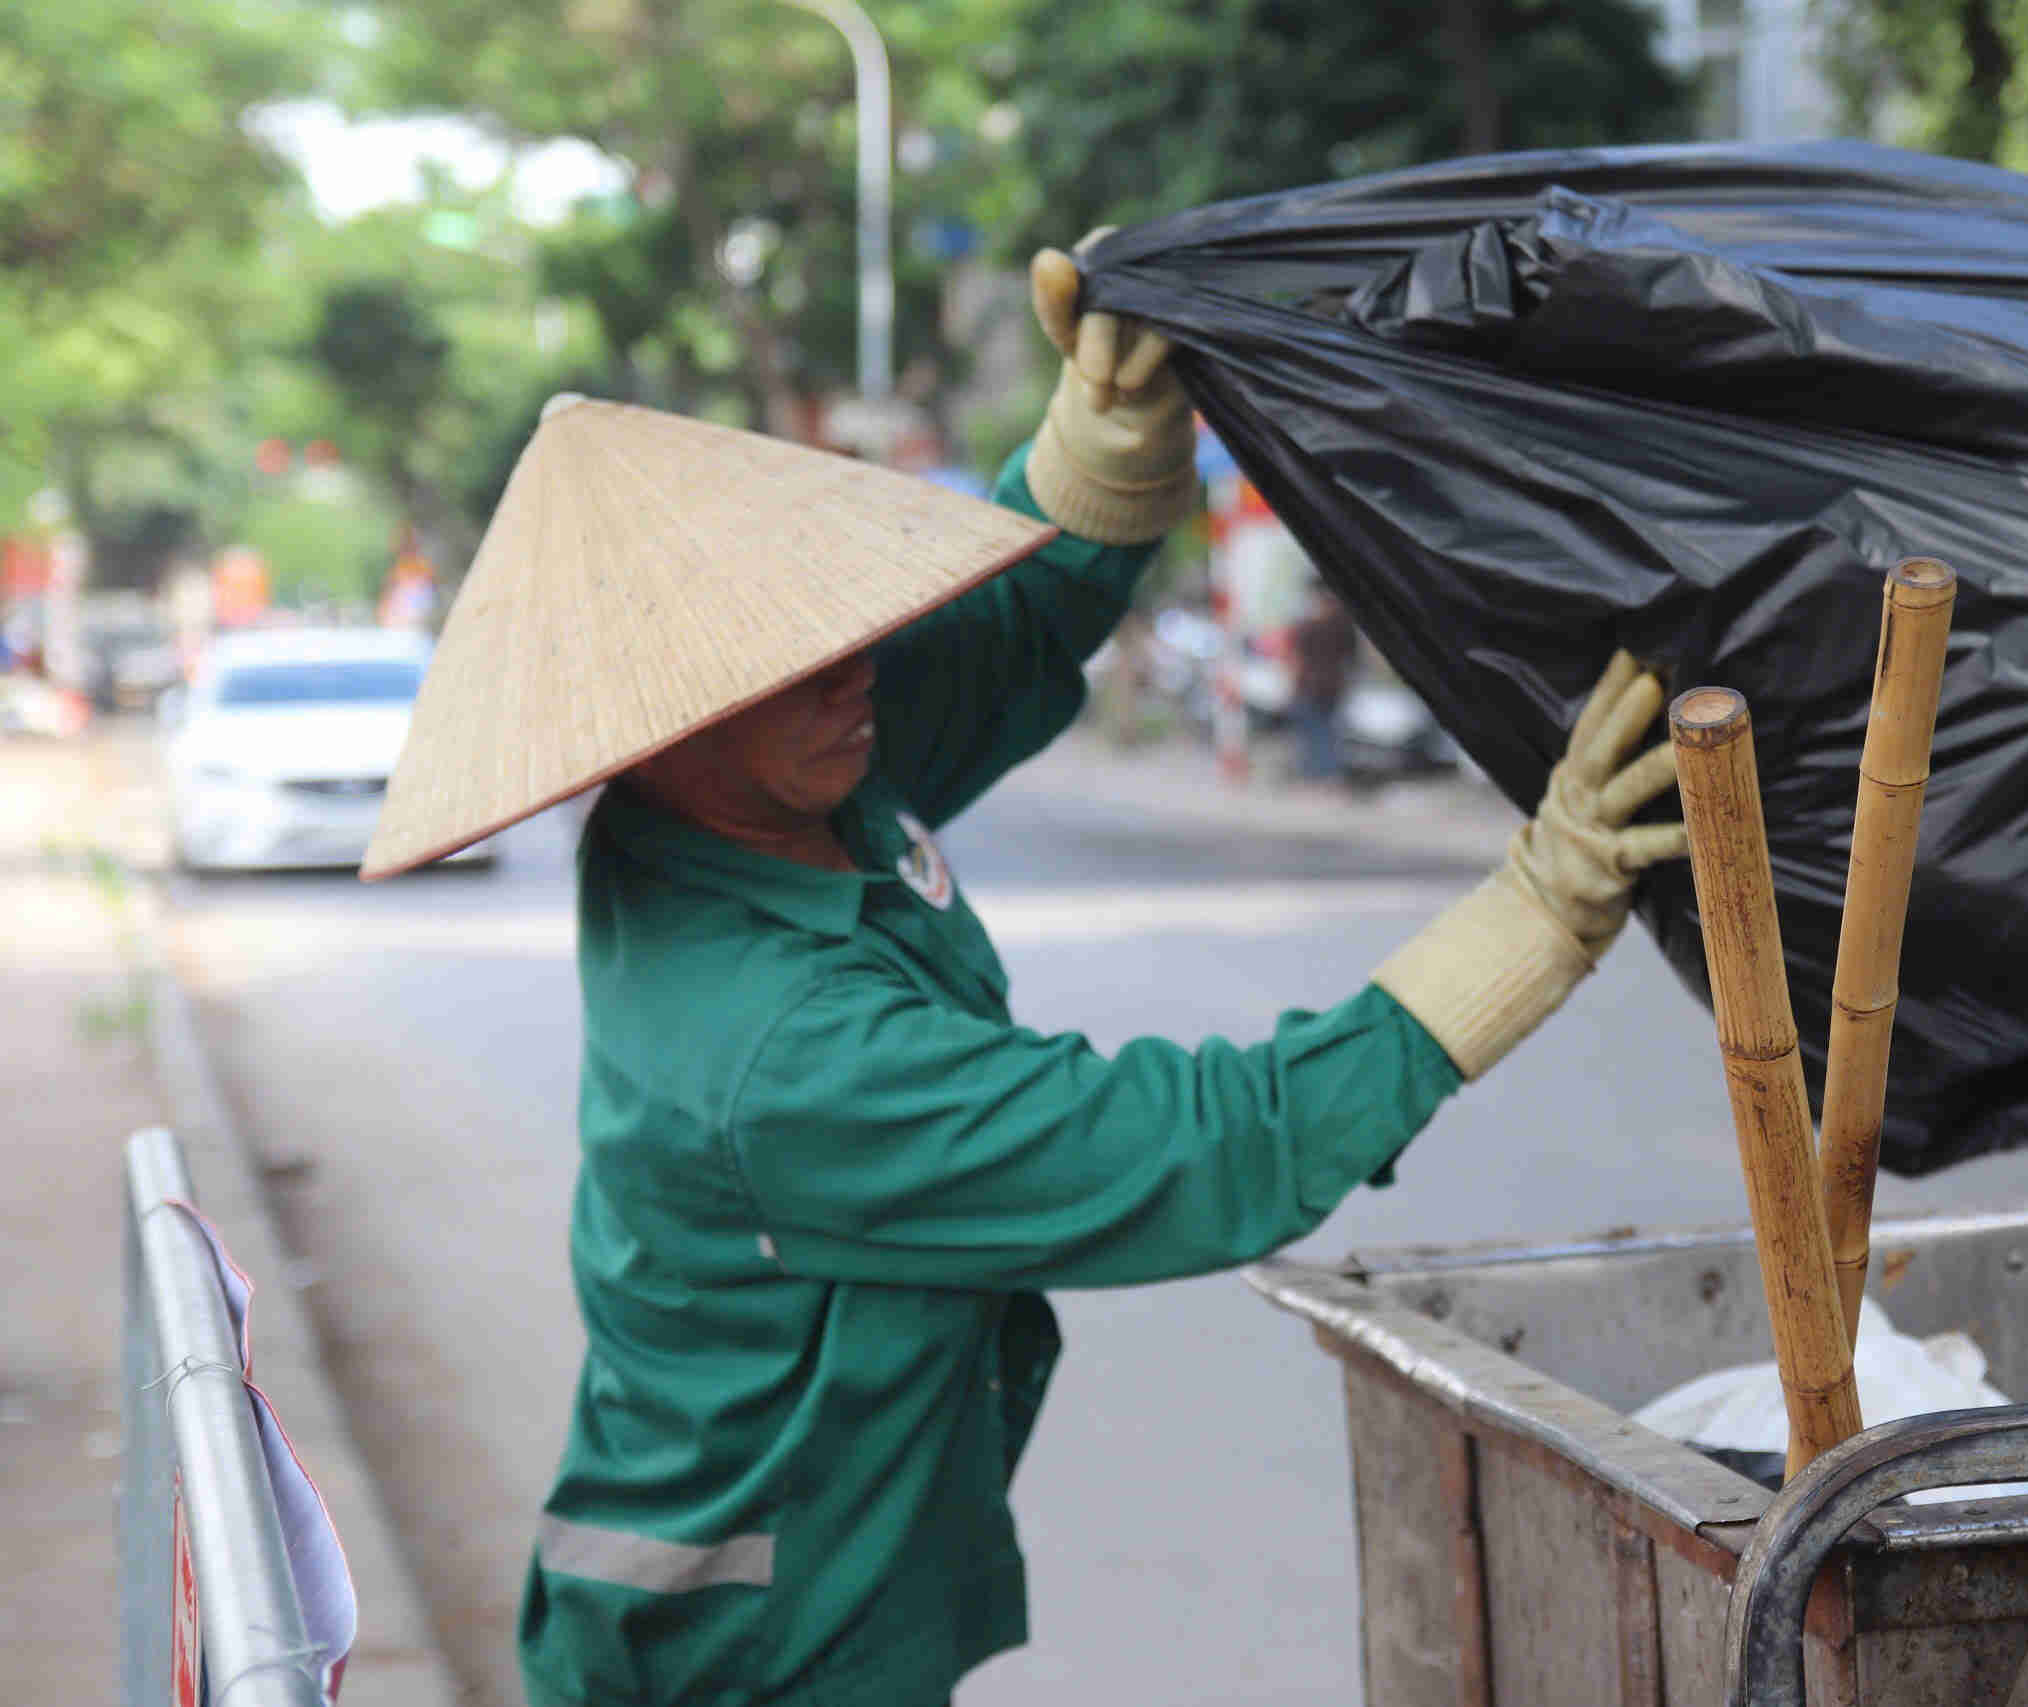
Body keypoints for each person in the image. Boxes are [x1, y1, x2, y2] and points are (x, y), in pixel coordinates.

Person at [362, 240, 1690, 1707]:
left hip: (817, 1576)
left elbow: (992, 638)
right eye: (791, 655)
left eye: (838, 621)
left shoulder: (773, 777)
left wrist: (1102, 438)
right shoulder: (781, 1052)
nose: (851, 666)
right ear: (654, 727)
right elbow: (1205, 1145)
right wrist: (1542, 912)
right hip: (739, 1662)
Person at [1287, 580, 1358, 782]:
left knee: (1316, 732)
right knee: (1324, 731)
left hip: (1312, 685)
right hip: (1331, 683)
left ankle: (1319, 775)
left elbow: (1297, 657)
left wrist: (1292, 683)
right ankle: (1325, 774)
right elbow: (1351, 656)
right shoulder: (1342, 621)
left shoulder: (1309, 625)